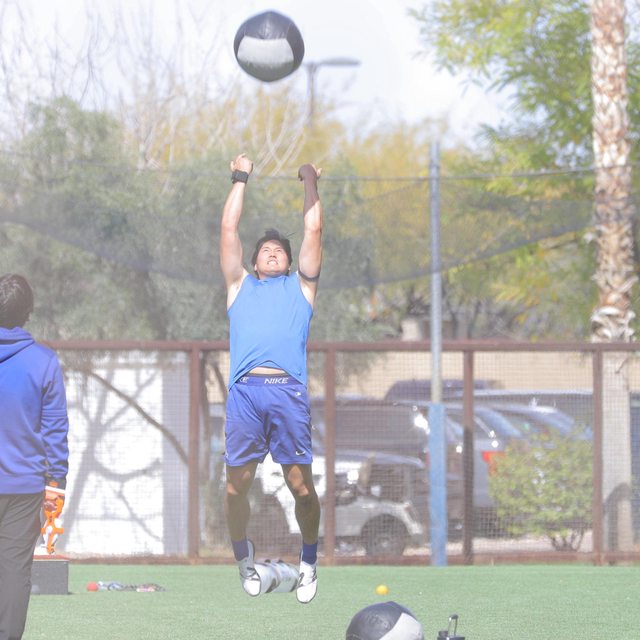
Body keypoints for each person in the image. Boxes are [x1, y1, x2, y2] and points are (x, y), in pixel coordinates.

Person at [220, 153, 323, 604]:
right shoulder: (239, 286)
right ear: (255, 261)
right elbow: (228, 229)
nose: (273, 251)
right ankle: (244, 558)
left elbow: (314, 229)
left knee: (302, 488)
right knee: (234, 488)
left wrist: (309, 180)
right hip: (245, 395)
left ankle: (309, 561)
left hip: (287, 394)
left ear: (289, 261)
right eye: (266, 249)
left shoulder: (301, 287)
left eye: (280, 249)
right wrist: (240, 178)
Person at [0, 274, 69, 640]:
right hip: (25, 488)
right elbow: (55, 430)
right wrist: (56, 482)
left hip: (24, 488)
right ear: (28, 311)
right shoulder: (44, 362)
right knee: (14, 572)